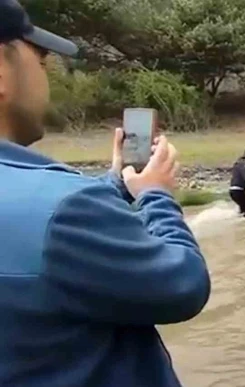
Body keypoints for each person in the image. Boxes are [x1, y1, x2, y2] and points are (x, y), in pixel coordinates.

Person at [0, 1, 212, 386]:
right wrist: (156, 197)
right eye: (42, 60)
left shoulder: (59, 206)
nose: (46, 77)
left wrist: (114, 183)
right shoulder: (65, 209)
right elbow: (183, 286)